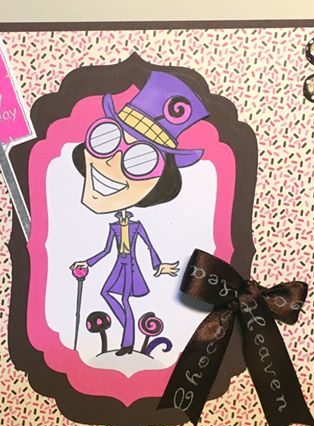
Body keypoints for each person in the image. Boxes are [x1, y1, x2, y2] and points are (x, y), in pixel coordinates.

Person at [70, 71, 210, 356]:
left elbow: (147, 246)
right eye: (106, 138)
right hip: (118, 265)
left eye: (141, 159)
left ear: (160, 182)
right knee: (107, 294)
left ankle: (127, 343)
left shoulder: (136, 227)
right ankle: (127, 337)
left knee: (121, 299)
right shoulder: (114, 226)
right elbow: (106, 251)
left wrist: (160, 266)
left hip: (130, 268)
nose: (112, 162)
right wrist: (87, 262)